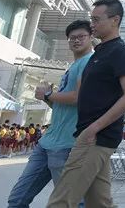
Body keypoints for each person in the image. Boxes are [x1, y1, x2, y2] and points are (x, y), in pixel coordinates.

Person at [46, 0, 125, 208]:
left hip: (95, 137)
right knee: (99, 203)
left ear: (115, 20)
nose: (92, 24)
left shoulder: (119, 51)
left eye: (96, 20)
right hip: (91, 135)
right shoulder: (100, 52)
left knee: (61, 201)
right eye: (91, 19)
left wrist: (94, 128)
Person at [7, 19, 94, 208]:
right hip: (48, 143)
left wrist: (48, 94)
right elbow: (63, 108)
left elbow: (79, 98)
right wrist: (48, 98)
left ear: (91, 38)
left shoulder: (89, 62)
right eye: (72, 38)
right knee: (17, 199)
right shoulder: (72, 66)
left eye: (81, 36)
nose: (76, 40)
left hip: (68, 145)